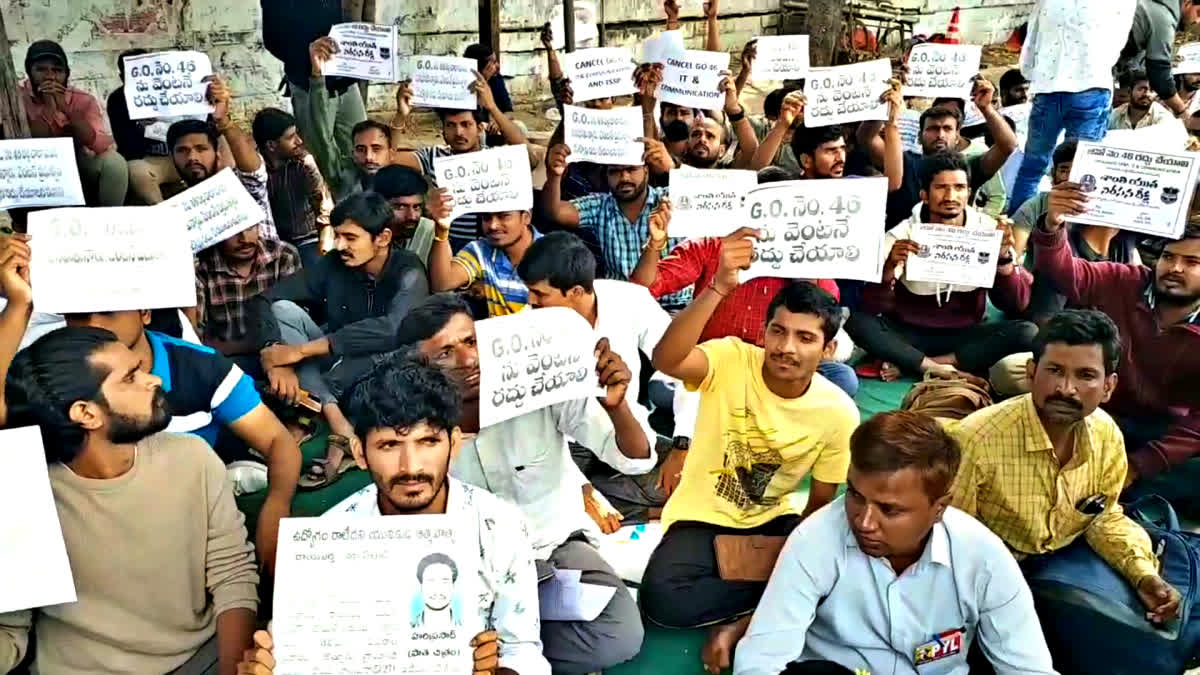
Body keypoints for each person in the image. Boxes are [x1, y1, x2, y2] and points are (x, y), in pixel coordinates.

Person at [237, 352, 549, 674]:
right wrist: (270, 667)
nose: (410, 467)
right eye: (388, 445)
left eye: (428, 441)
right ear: (359, 453)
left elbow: (521, 649)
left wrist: (500, 671)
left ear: (454, 444)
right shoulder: (328, 543)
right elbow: (305, 651)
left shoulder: (500, 527)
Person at [389, 293, 651, 673]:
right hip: (466, 567)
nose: (468, 360)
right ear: (419, 367)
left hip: (552, 548)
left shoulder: (537, 382)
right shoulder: (410, 423)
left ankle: (496, 650)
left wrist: (617, 406)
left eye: (471, 341)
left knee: (618, 634)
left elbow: (632, 458)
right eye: (445, 354)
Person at [0, 327, 257, 674]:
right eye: (131, 377)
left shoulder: (192, 458)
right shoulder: (24, 492)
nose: (153, 380)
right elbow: (11, 631)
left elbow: (233, 577)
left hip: (201, 659)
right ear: (86, 413)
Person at [641, 274, 859, 674]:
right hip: (701, 514)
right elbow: (666, 361)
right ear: (764, 332)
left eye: (805, 338)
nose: (786, 348)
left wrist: (802, 553)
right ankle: (777, 604)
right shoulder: (730, 358)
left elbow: (820, 505)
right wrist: (719, 287)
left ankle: (743, 623)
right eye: (778, 331)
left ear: (828, 349)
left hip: (774, 520)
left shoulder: (839, 412)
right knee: (662, 600)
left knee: (844, 571)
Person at [733, 411, 1056, 675]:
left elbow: (1028, 668)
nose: (864, 522)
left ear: (939, 507)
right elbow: (761, 662)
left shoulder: (984, 558)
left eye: (889, 510)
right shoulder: (814, 539)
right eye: (856, 496)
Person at [949, 310, 1182, 627]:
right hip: (990, 577)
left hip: (1064, 566)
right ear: (1032, 372)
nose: (1066, 388)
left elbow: (1103, 518)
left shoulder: (1106, 435)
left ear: (1109, 387)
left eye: (1086, 376)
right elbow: (951, 542)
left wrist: (1143, 576)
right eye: (1054, 371)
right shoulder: (975, 441)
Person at [1032, 182, 1200, 513]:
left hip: (1164, 432)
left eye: (1192, 262)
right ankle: (1094, 481)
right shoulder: (1124, 279)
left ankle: (1103, 483)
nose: (1175, 269)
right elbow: (1064, 270)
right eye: (1169, 257)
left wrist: (1140, 465)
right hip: (1099, 412)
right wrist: (1053, 224)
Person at [248, 191, 428, 485]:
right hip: (335, 360)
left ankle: (312, 416)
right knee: (284, 312)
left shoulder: (408, 270)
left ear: (382, 238)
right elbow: (266, 300)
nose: (340, 245)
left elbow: (394, 329)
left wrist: (303, 351)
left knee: (388, 358)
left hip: (383, 363)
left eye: (350, 238)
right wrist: (274, 355)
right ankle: (336, 421)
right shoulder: (334, 264)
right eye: (338, 235)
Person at [629, 168, 858, 397]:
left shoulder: (805, 253)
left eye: (779, 210)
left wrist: (803, 272)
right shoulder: (713, 244)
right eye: (761, 209)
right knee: (661, 390)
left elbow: (823, 316)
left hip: (778, 365)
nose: (769, 219)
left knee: (843, 379)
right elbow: (643, 288)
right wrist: (655, 244)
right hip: (713, 362)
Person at [517, 231, 697, 521]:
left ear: (575, 292)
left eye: (540, 294)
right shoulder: (527, 326)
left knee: (699, 477)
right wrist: (582, 488)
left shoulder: (629, 300)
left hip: (625, 434)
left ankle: (611, 504)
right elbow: (530, 435)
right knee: (536, 498)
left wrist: (682, 445)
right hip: (564, 449)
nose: (530, 301)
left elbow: (683, 364)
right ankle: (628, 507)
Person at [845, 152, 1036, 381]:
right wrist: (889, 269)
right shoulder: (902, 234)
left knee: (1027, 332)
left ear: (968, 193)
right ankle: (931, 366)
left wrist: (1003, 259)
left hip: (964, 333)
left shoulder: (989, 230)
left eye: (959, 187)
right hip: (909, 331)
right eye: (941, 188)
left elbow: (1015, 303)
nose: (950, 196)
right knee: (858, 322)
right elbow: (873, 306)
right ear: (924, 194)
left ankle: (931, 364)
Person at [1007, 1, 1136, 215]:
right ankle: (1067, 236)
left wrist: (1035, 75)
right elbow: (1117, 44)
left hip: (1047, 88)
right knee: (1082, 170)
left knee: (1033, 168)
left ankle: (1020, 231)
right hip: (1091, 86)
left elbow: (1031, 42)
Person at [542, 145, 692, 311]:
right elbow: (555, 212)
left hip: (675, 308)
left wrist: (672, 169)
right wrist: (554, 176)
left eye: (631, 169)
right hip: (622, 308)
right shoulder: (600, 206)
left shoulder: (670, 199)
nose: (624, 177)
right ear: (606, 176)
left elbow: (711, 198)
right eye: (614, 171)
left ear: (646, 171)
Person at [1010, 139, 1141, 324]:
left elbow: (1134, 267)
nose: (1071, 178)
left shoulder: (1110, 214)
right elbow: (1014, 258)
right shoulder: (1035, 207)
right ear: (1053, 175)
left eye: (1078, 171)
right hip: (1047, 296)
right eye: (1064, 170)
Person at [862, 79, 1018, 226]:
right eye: (933, 129)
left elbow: (1008, 145)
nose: (940, 135)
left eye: (947, 129)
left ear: (957, 137)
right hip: (903, 247)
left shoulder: (967, 166)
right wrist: (884, 107)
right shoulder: (902, 162)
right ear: (919, 137)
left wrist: (986, 108)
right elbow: (866, 138)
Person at [167, 76, 279, 242]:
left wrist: (222, 120)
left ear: (216, 152)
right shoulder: (174, 208)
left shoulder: (240, 187)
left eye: (201, 149)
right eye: (182, 151)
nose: (192, 158)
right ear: (171, 157)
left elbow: (254, 172)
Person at [21, 39, 128, 207]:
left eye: (57, 70)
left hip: (77, 161)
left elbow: (98, 144)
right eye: (41, 70)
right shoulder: (16, 98)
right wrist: (49, 108)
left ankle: (109, 222)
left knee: (114, 164)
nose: (49, 76)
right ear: (29, 72)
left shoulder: (83, 100)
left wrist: (66, 109)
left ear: (67, 74)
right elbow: (32, 144)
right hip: (32, 167)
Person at [259, 0, 366, 163]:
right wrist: (308, 54)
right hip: (308, 86)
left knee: (361, 145)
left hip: (347, 82)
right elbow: (273, 40)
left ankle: (360, 188)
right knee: (319, 155)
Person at [193, 222, 302, 370]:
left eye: (250, 228)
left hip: (283, 356)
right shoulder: (202, 268)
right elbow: (194, 338)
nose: (244, 239)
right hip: (229, 362)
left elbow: (295, 320)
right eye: (233, 231)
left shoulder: (283, 256)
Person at [304, 38, 396, 201]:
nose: (369, 157)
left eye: (376, 149)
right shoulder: (343, 177)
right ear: (352, 154)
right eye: (361, 149)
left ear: (391, 153)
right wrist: (317, 77)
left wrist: (402, 115)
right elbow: (322, 136)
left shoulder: (398, 184)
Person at [427, 190, 538, 317]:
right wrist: (441, 231)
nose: (493, 225)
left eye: (503, 216)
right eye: (486, 217)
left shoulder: (553, 252)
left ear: (526, 217)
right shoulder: (480, 250)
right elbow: (442, 284)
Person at [251, 107, 333, 267]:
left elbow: (323, 204)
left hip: (307, 240)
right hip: (271, 244)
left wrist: (325, 241)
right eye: (290, 137)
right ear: (271, 145)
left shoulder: (303, 163)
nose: (299, 141)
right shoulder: (254, 169)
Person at [107, 48, 177, 205]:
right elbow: (126, 145)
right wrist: (142, 127)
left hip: (181, 154)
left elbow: (198, 128)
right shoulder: (117, 99)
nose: (141, 78)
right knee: (138, 173)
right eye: (133, 73)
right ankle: (164, 214)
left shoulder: (175, 90)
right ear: (122, 77)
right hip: (149, 160)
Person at [1118, 0, 1200, 119]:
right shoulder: (1164, 18)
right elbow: (1159, 72)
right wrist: (1182, 111)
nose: (1197, 21)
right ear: (1187, 3)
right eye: (1198, 13)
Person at [372, 165, 437, 268]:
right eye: (401, 207)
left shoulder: (430, 231)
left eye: (416, 207)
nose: (411, 216)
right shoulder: (363, 233)